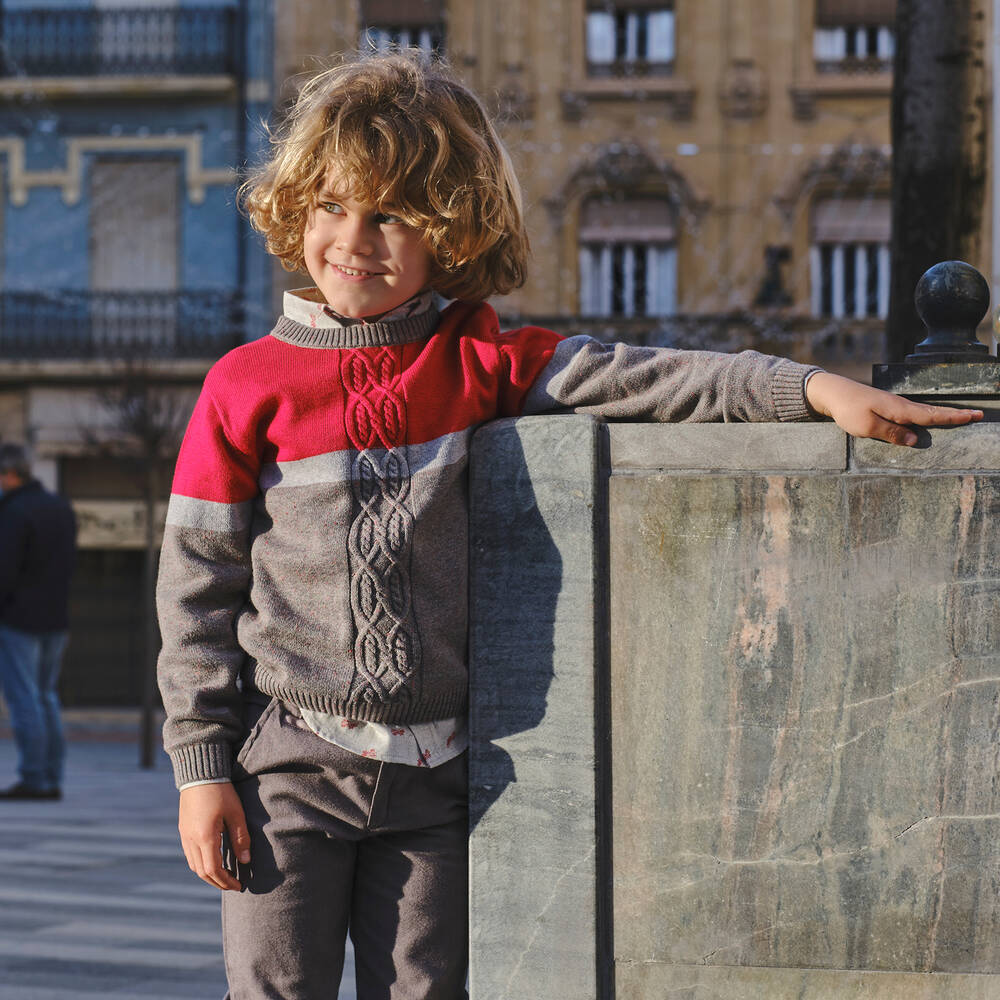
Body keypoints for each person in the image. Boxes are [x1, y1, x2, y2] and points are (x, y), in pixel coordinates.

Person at [156, 52, 982, 1000]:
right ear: (297, 204)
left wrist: (811, 388)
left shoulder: (479, 357)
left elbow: (648, 376)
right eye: (333, 205)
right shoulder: (244, 386)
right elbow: (197, 585)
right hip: (291, 771)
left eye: (390, 215)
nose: (354, 238)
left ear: (447, 233)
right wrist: (201, 767)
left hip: (439, 778)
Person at [0, 443, 77, 801]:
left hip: (19, 620)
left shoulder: (13, 512)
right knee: (45, 696)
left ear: (10, 474)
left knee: (25, 700)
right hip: (55, 619)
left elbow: (5, 571)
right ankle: (50, 776)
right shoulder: (59, 507)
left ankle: (35, 778)